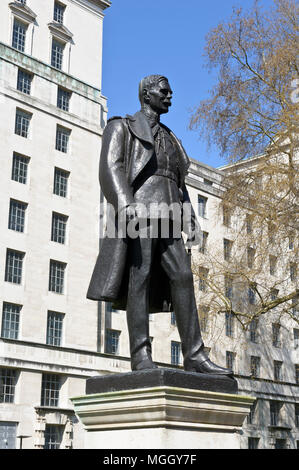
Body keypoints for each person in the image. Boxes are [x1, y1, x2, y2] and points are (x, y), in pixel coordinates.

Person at [87, 75, 232, 375]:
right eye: (163, 91)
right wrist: (126, 205)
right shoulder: (122, 127)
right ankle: (141, 355)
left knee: (183, 275)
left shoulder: (171, 137)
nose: (170, 95)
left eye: (170, 92)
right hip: (139, 215)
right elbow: (110, 168)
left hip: (169, 218)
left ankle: (194, 354)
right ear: (146, 94)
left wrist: (189, 217)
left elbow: (178, 182)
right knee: (139, 280)